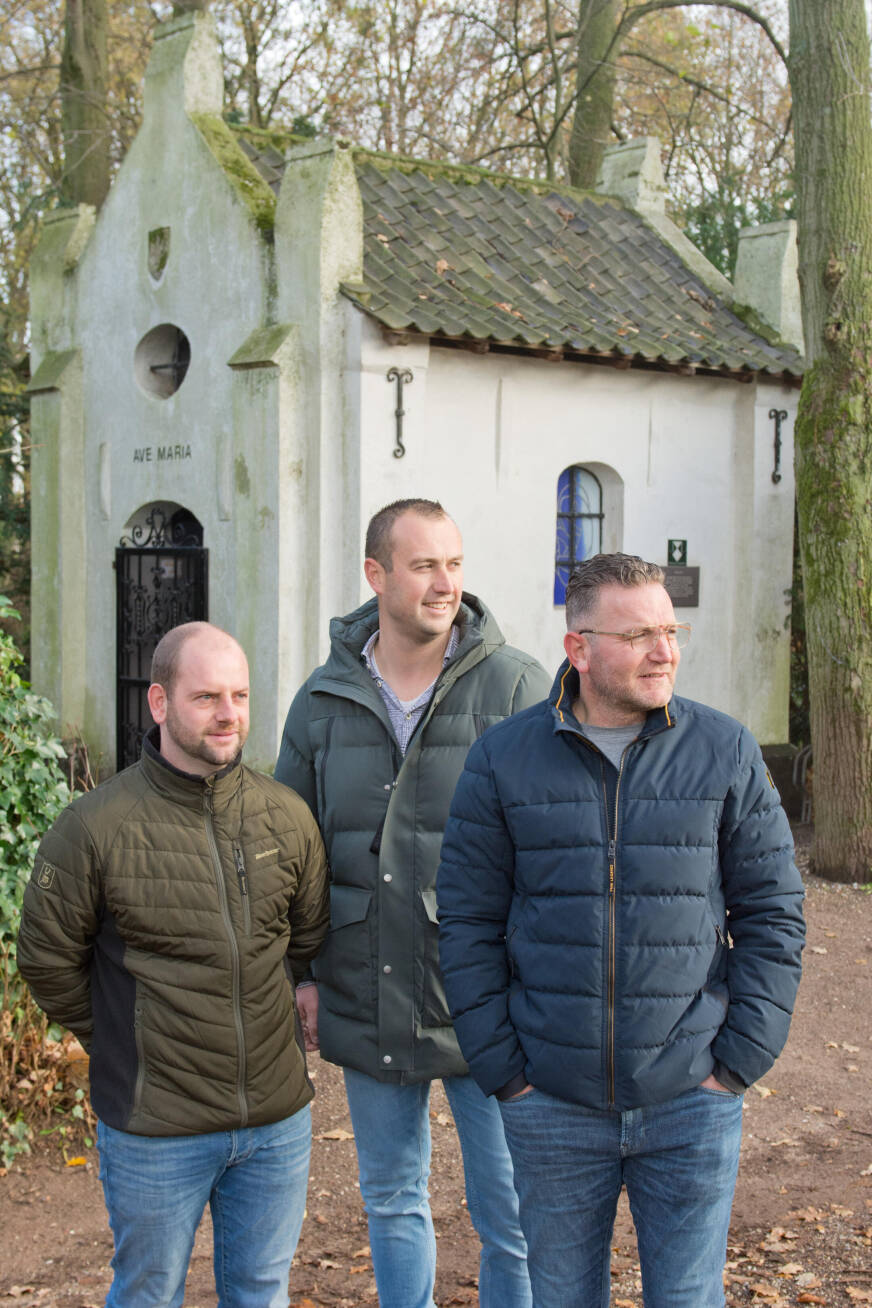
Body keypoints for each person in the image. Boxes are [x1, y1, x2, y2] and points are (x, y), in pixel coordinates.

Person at [437, 552, 806, 1308]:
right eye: (638, 635)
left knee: (688, 1296)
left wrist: (736, 1062)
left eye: (670, 631)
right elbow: (468, 923)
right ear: (579, 649)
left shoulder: (725, 750)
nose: (664, 651)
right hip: (550, 1103)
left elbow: (773, 911)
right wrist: (507, 1071)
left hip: (692, 1098)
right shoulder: (502, 760)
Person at [274, 498, 550, 1308]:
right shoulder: (322, 699)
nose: (445, 584)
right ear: (376, 574)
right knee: (392, 1198)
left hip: (492, 998)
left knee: (512, 1213)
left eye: (454, 564)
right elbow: (294, 854)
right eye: (425, 565)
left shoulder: (517, 686)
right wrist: (303, 975)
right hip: (368, 988)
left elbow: (557, 850)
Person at [18, 622, 329, 1308]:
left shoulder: (285, 815)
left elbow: (307, 935)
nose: (228, 714)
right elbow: (46, 959)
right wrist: (121, 1033)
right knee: (148, 1295)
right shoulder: (94, 827)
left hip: (275, 1123)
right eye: (206, 697)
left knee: (262, 1293)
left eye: (239, 696)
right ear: (159, 703)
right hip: (155, 1129)